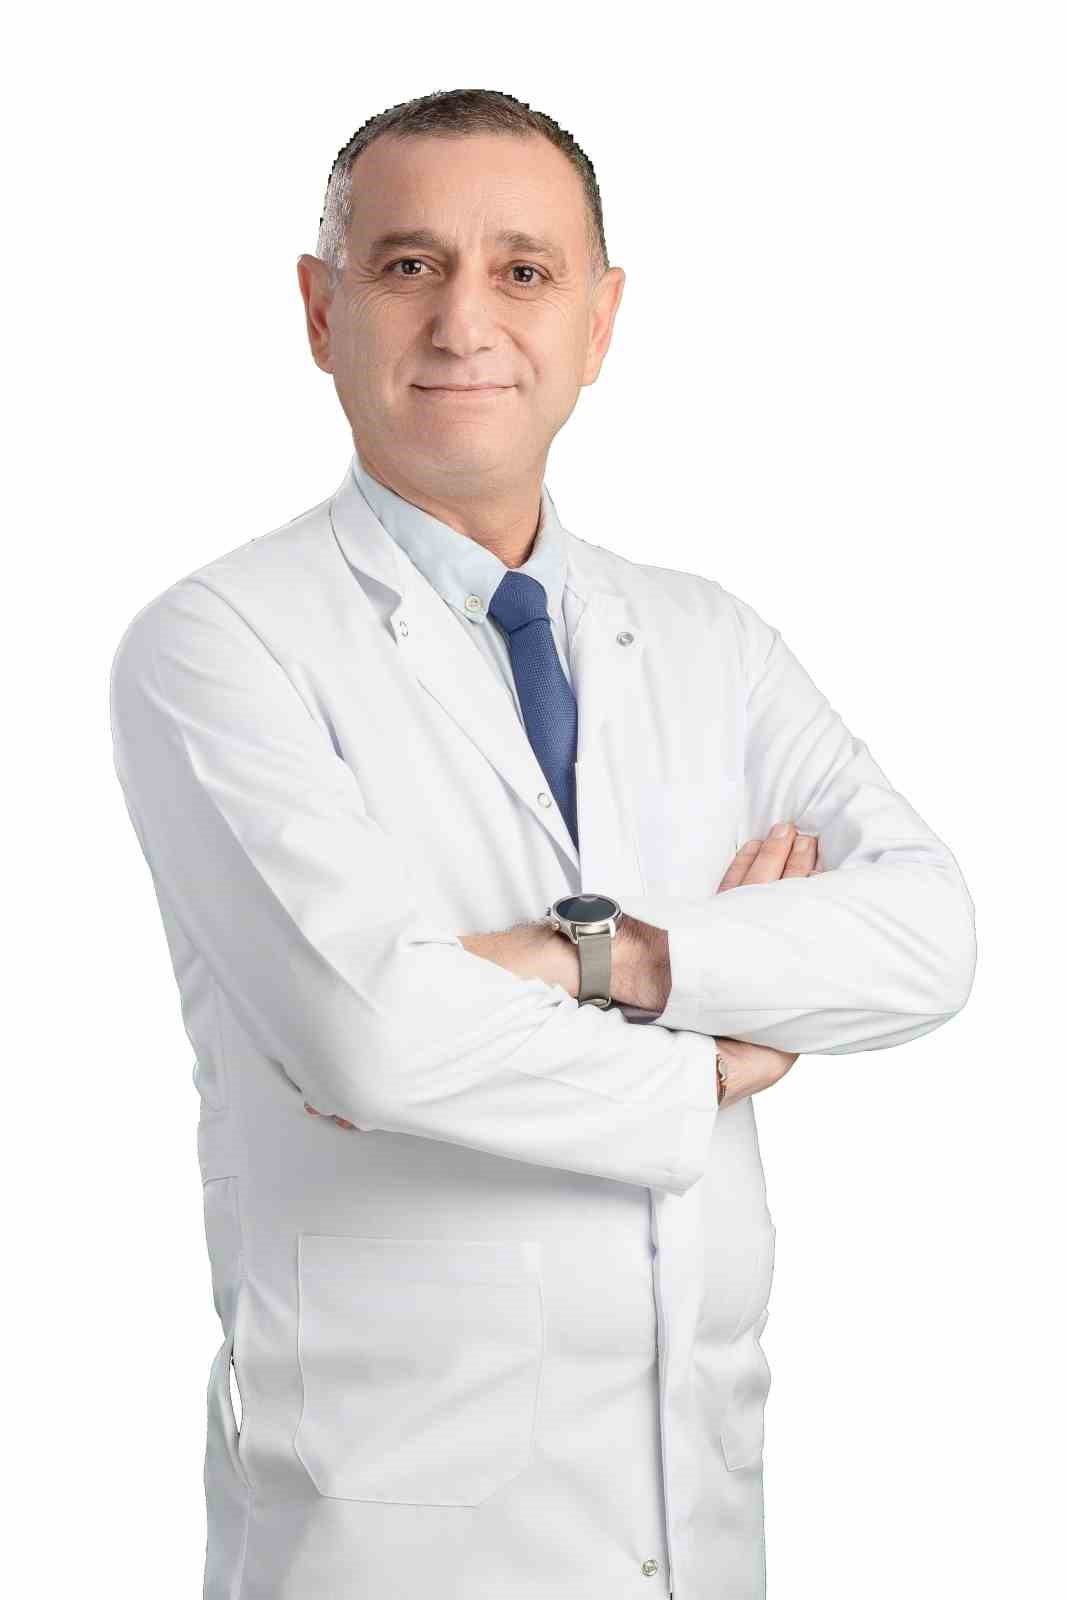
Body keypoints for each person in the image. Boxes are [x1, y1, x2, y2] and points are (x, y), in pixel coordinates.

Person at [108, 87, 977, 1600]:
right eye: (407, 266)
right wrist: (713, 1054)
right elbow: (372, 1039)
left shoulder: (710, 640)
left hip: (697, 1511)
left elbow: (928, 937)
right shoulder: (219, 645)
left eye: (523, 270)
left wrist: (594, 957)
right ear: (319, 311)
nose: (466, 322)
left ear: (599, 319)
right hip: (395, 1531)